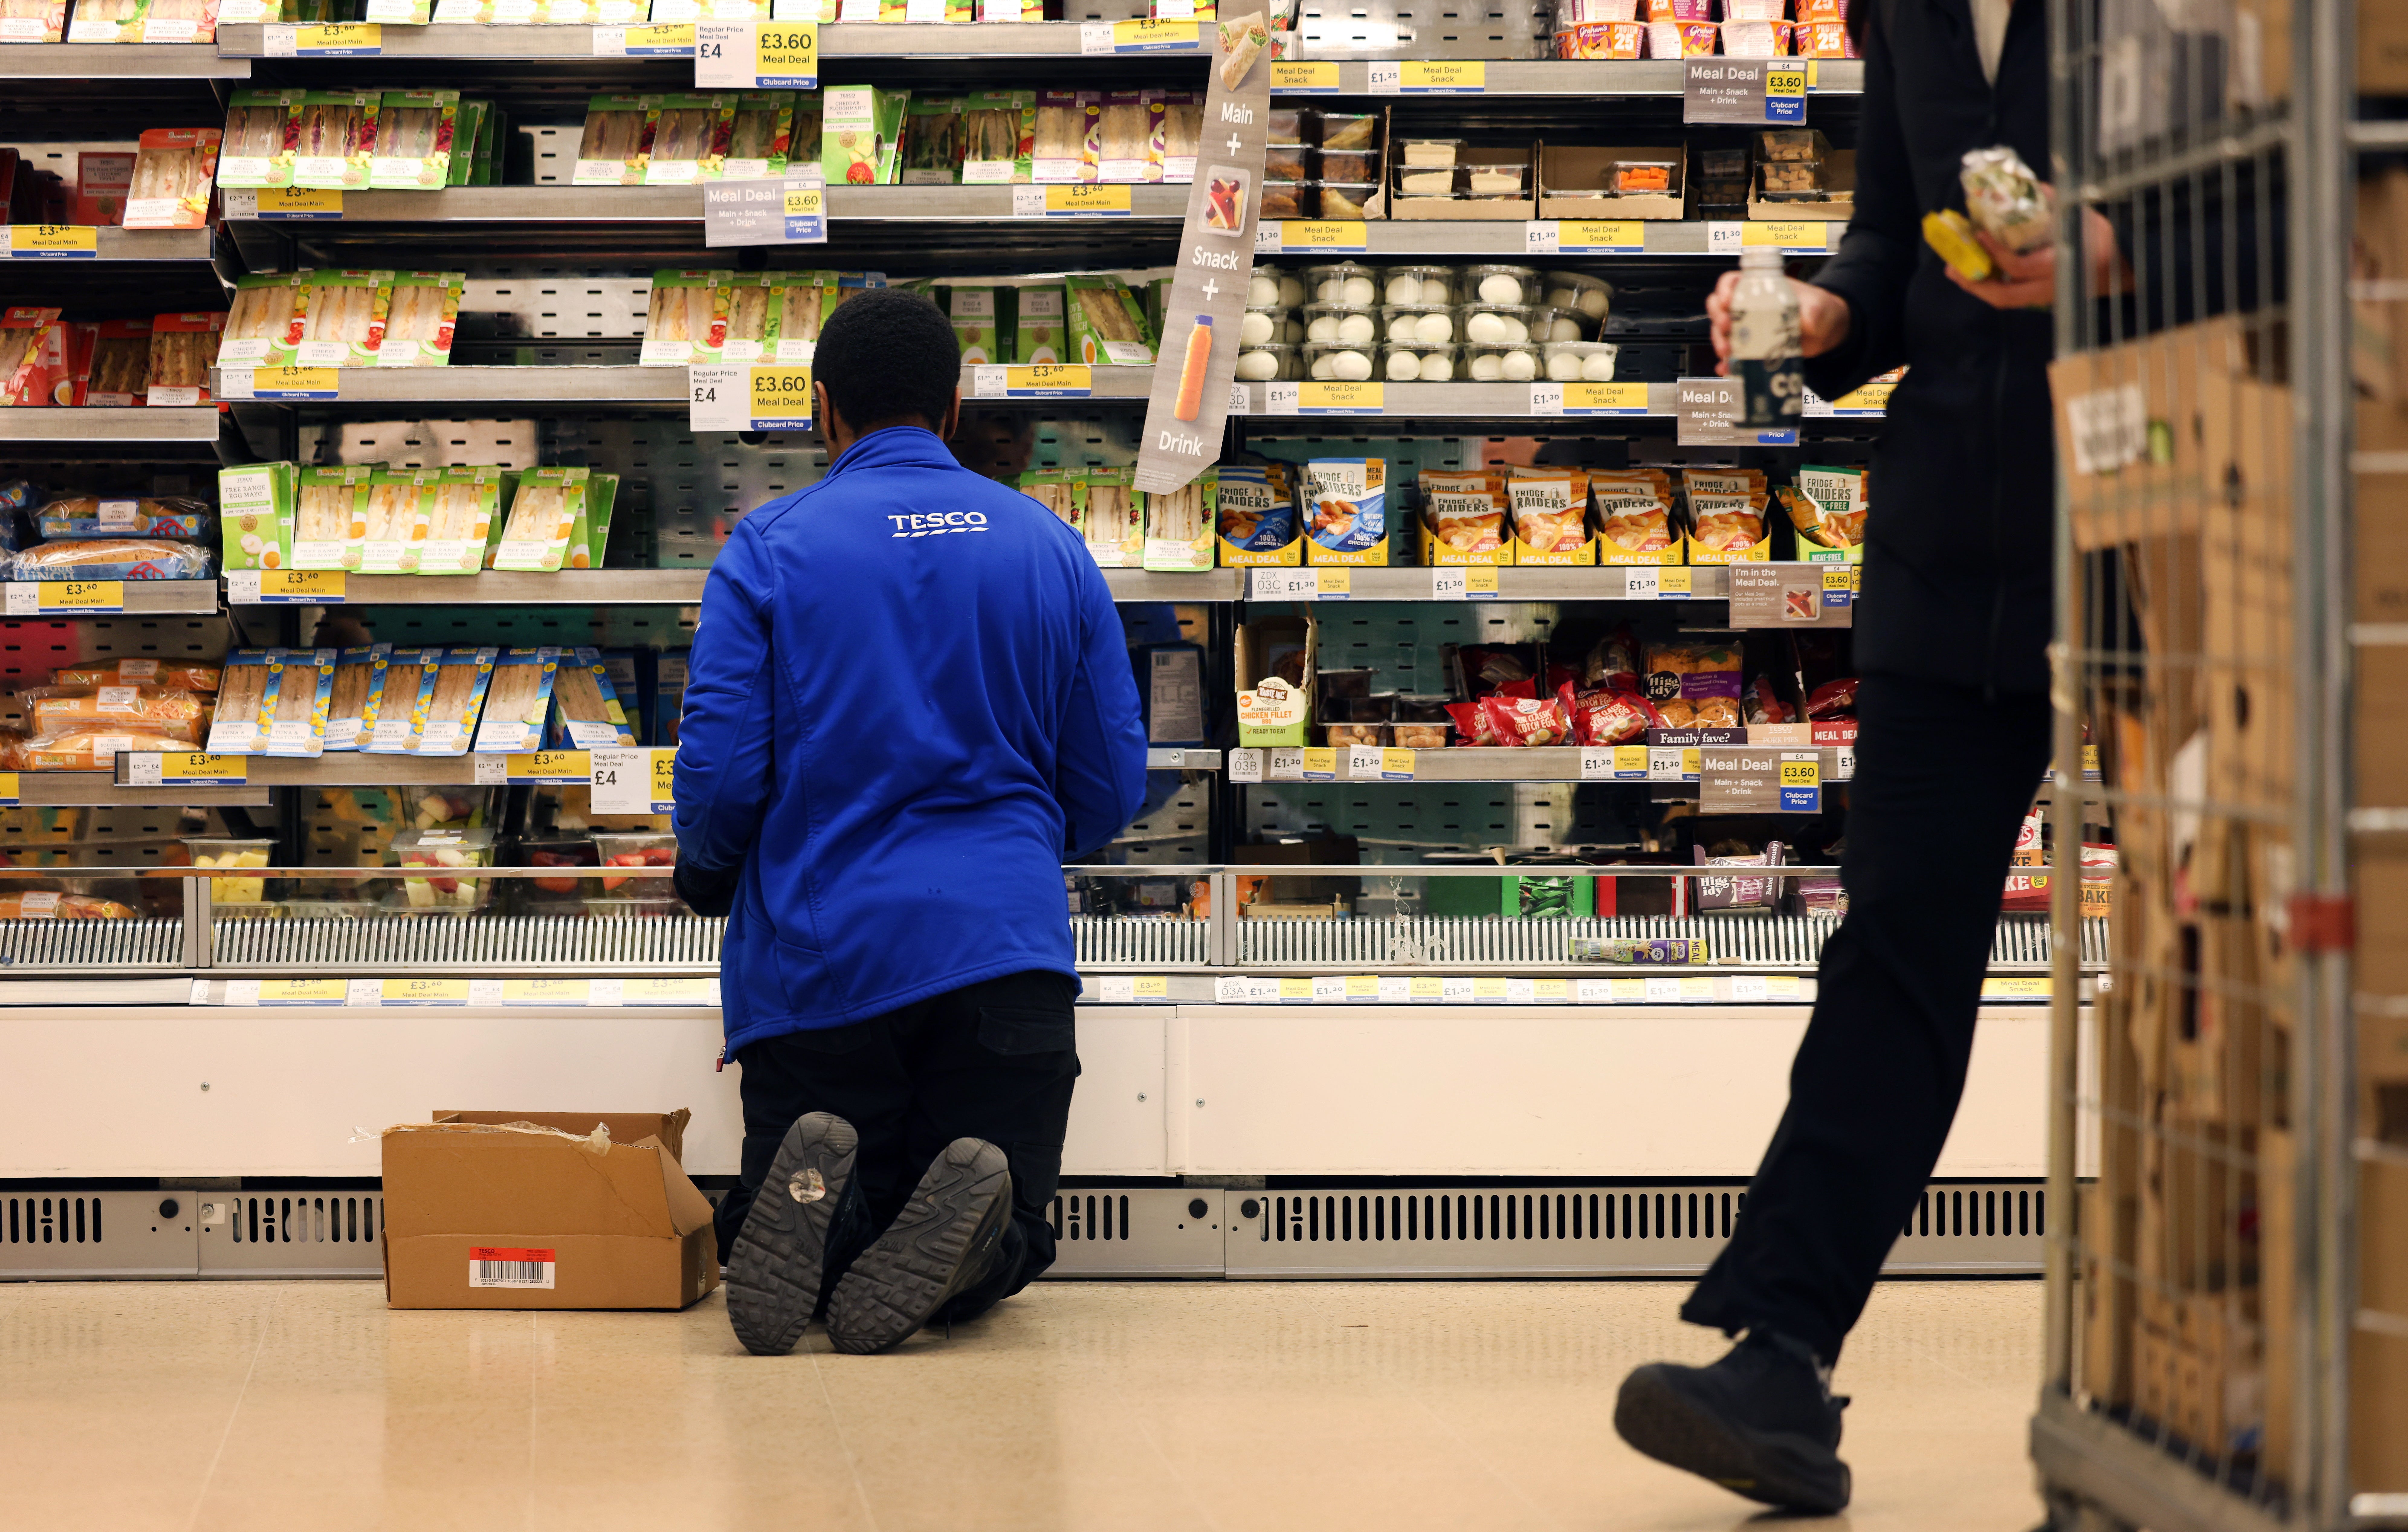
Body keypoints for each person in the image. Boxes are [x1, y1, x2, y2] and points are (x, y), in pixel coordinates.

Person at [1610, 0, 2127, 1513]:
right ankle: (1780, 1355)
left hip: (2166, 518)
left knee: (2203, 961)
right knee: (1893, 949)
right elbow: (1897, 243)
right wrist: (1833, 314)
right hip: (1949, 549)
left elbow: (2318, 198)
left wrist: (2122, 257)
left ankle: (2229, 1358)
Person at [670, 287, 1149, 1358]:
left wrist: (704, 871)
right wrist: (1016, 851)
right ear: (955, 404)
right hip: (1005, 941)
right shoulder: (1050, 545)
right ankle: (976, 1244)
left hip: (824, 946)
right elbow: (1112, 778)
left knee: (816, 1186)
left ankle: (806, 1206)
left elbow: (723, 769)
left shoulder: (770, 546)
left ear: (821, 406)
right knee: (1012, 1217)